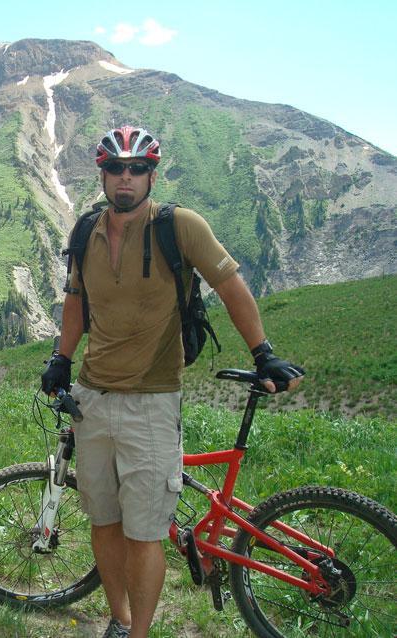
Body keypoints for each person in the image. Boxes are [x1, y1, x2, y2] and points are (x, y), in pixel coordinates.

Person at [40, 125, 304, 638]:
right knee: (104, 522)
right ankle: (118, 621)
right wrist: (61, 359)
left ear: (151, 175)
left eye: (136, 169)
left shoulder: (179, 226)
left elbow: (229, 284)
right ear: (102, 173)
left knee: (144, 535)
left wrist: (263, 353)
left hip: (152, 402)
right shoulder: (85, 232)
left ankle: (139, 633)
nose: (125, 178)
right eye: (115, 168)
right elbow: (76, 300)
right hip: (92, 398)